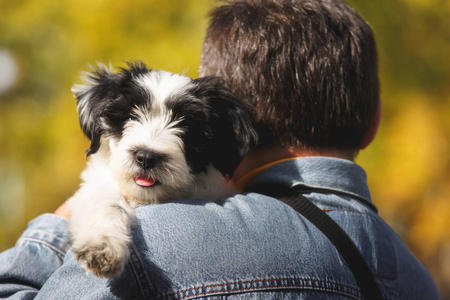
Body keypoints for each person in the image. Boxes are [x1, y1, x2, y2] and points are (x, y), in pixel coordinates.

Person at [0, 0, 441, 299]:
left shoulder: (147, 244)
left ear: (232, 122)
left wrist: (53, 232)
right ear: (375, 121)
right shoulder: (420, 282)